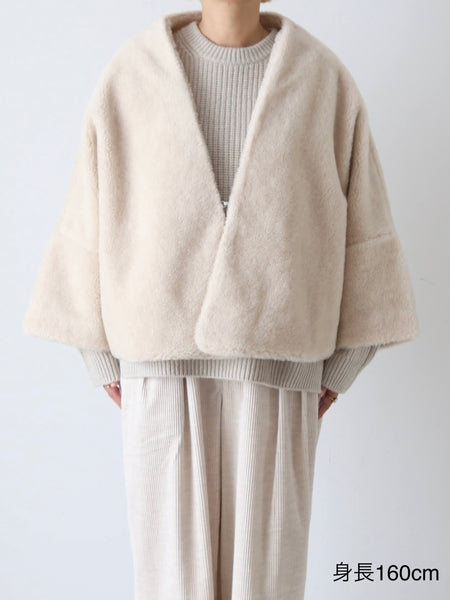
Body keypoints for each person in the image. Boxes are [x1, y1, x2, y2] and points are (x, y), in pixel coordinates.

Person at [23, 2, 419, 599]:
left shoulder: (322, 80)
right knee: (170, 585)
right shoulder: (132, 74)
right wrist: (98, 354)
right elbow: (89, 214)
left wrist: (341, 365)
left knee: (267, 585)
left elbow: (365, 230)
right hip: (158, 376)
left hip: (279, 377)